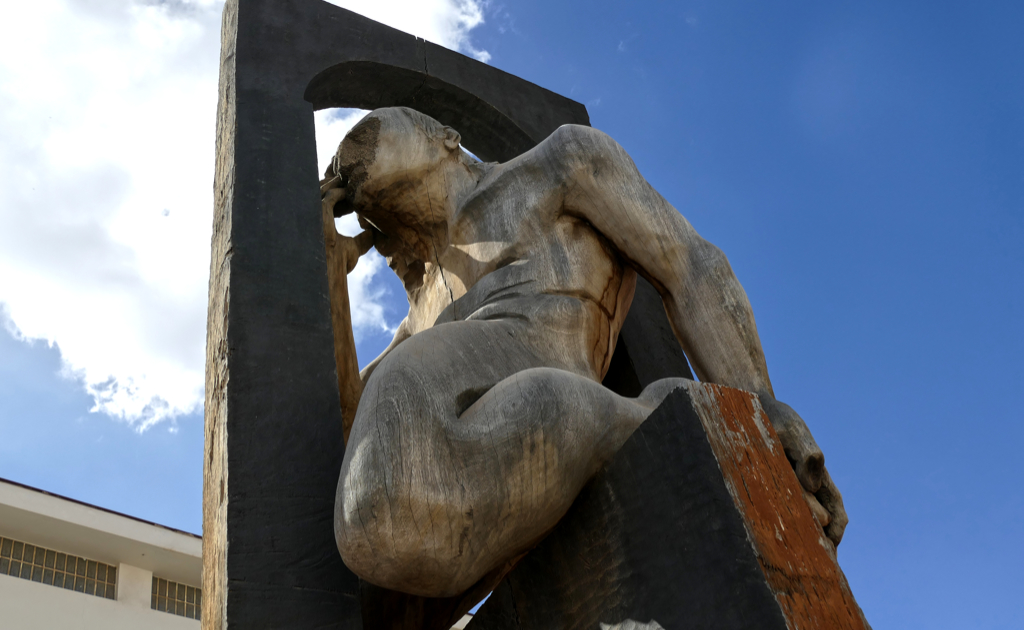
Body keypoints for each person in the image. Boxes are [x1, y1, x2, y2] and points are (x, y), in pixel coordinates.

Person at [319, 107, 846, 599]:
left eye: (362, 136)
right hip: (497, 466)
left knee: (388, 487)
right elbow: (351, 421)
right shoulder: (425, 303)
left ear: (445, 139)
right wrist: (330, 277)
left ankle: (660, 420)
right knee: (376, 506)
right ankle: (643, 421)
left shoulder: (558, 164)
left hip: (552, 389)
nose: (343, 163)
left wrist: (758, 409)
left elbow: (688, 265)